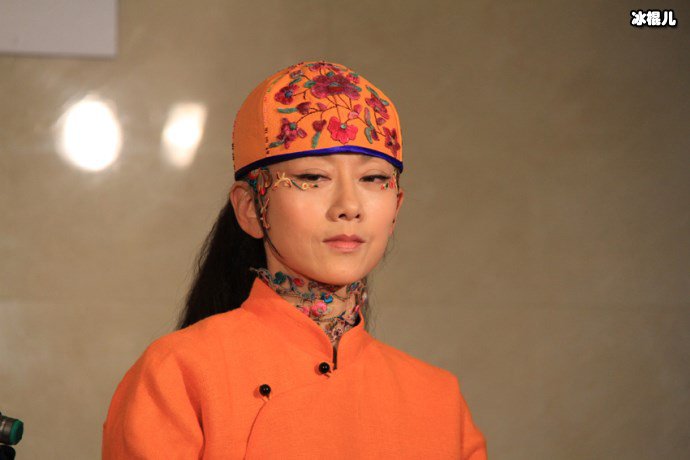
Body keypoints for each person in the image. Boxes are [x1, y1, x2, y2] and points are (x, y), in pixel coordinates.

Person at [102, 60, 487, 459]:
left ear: (396, 208)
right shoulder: (178, 375)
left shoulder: (439, 400)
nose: (349, 206)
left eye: (373, 179)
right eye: (312, 178)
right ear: (251, 208)